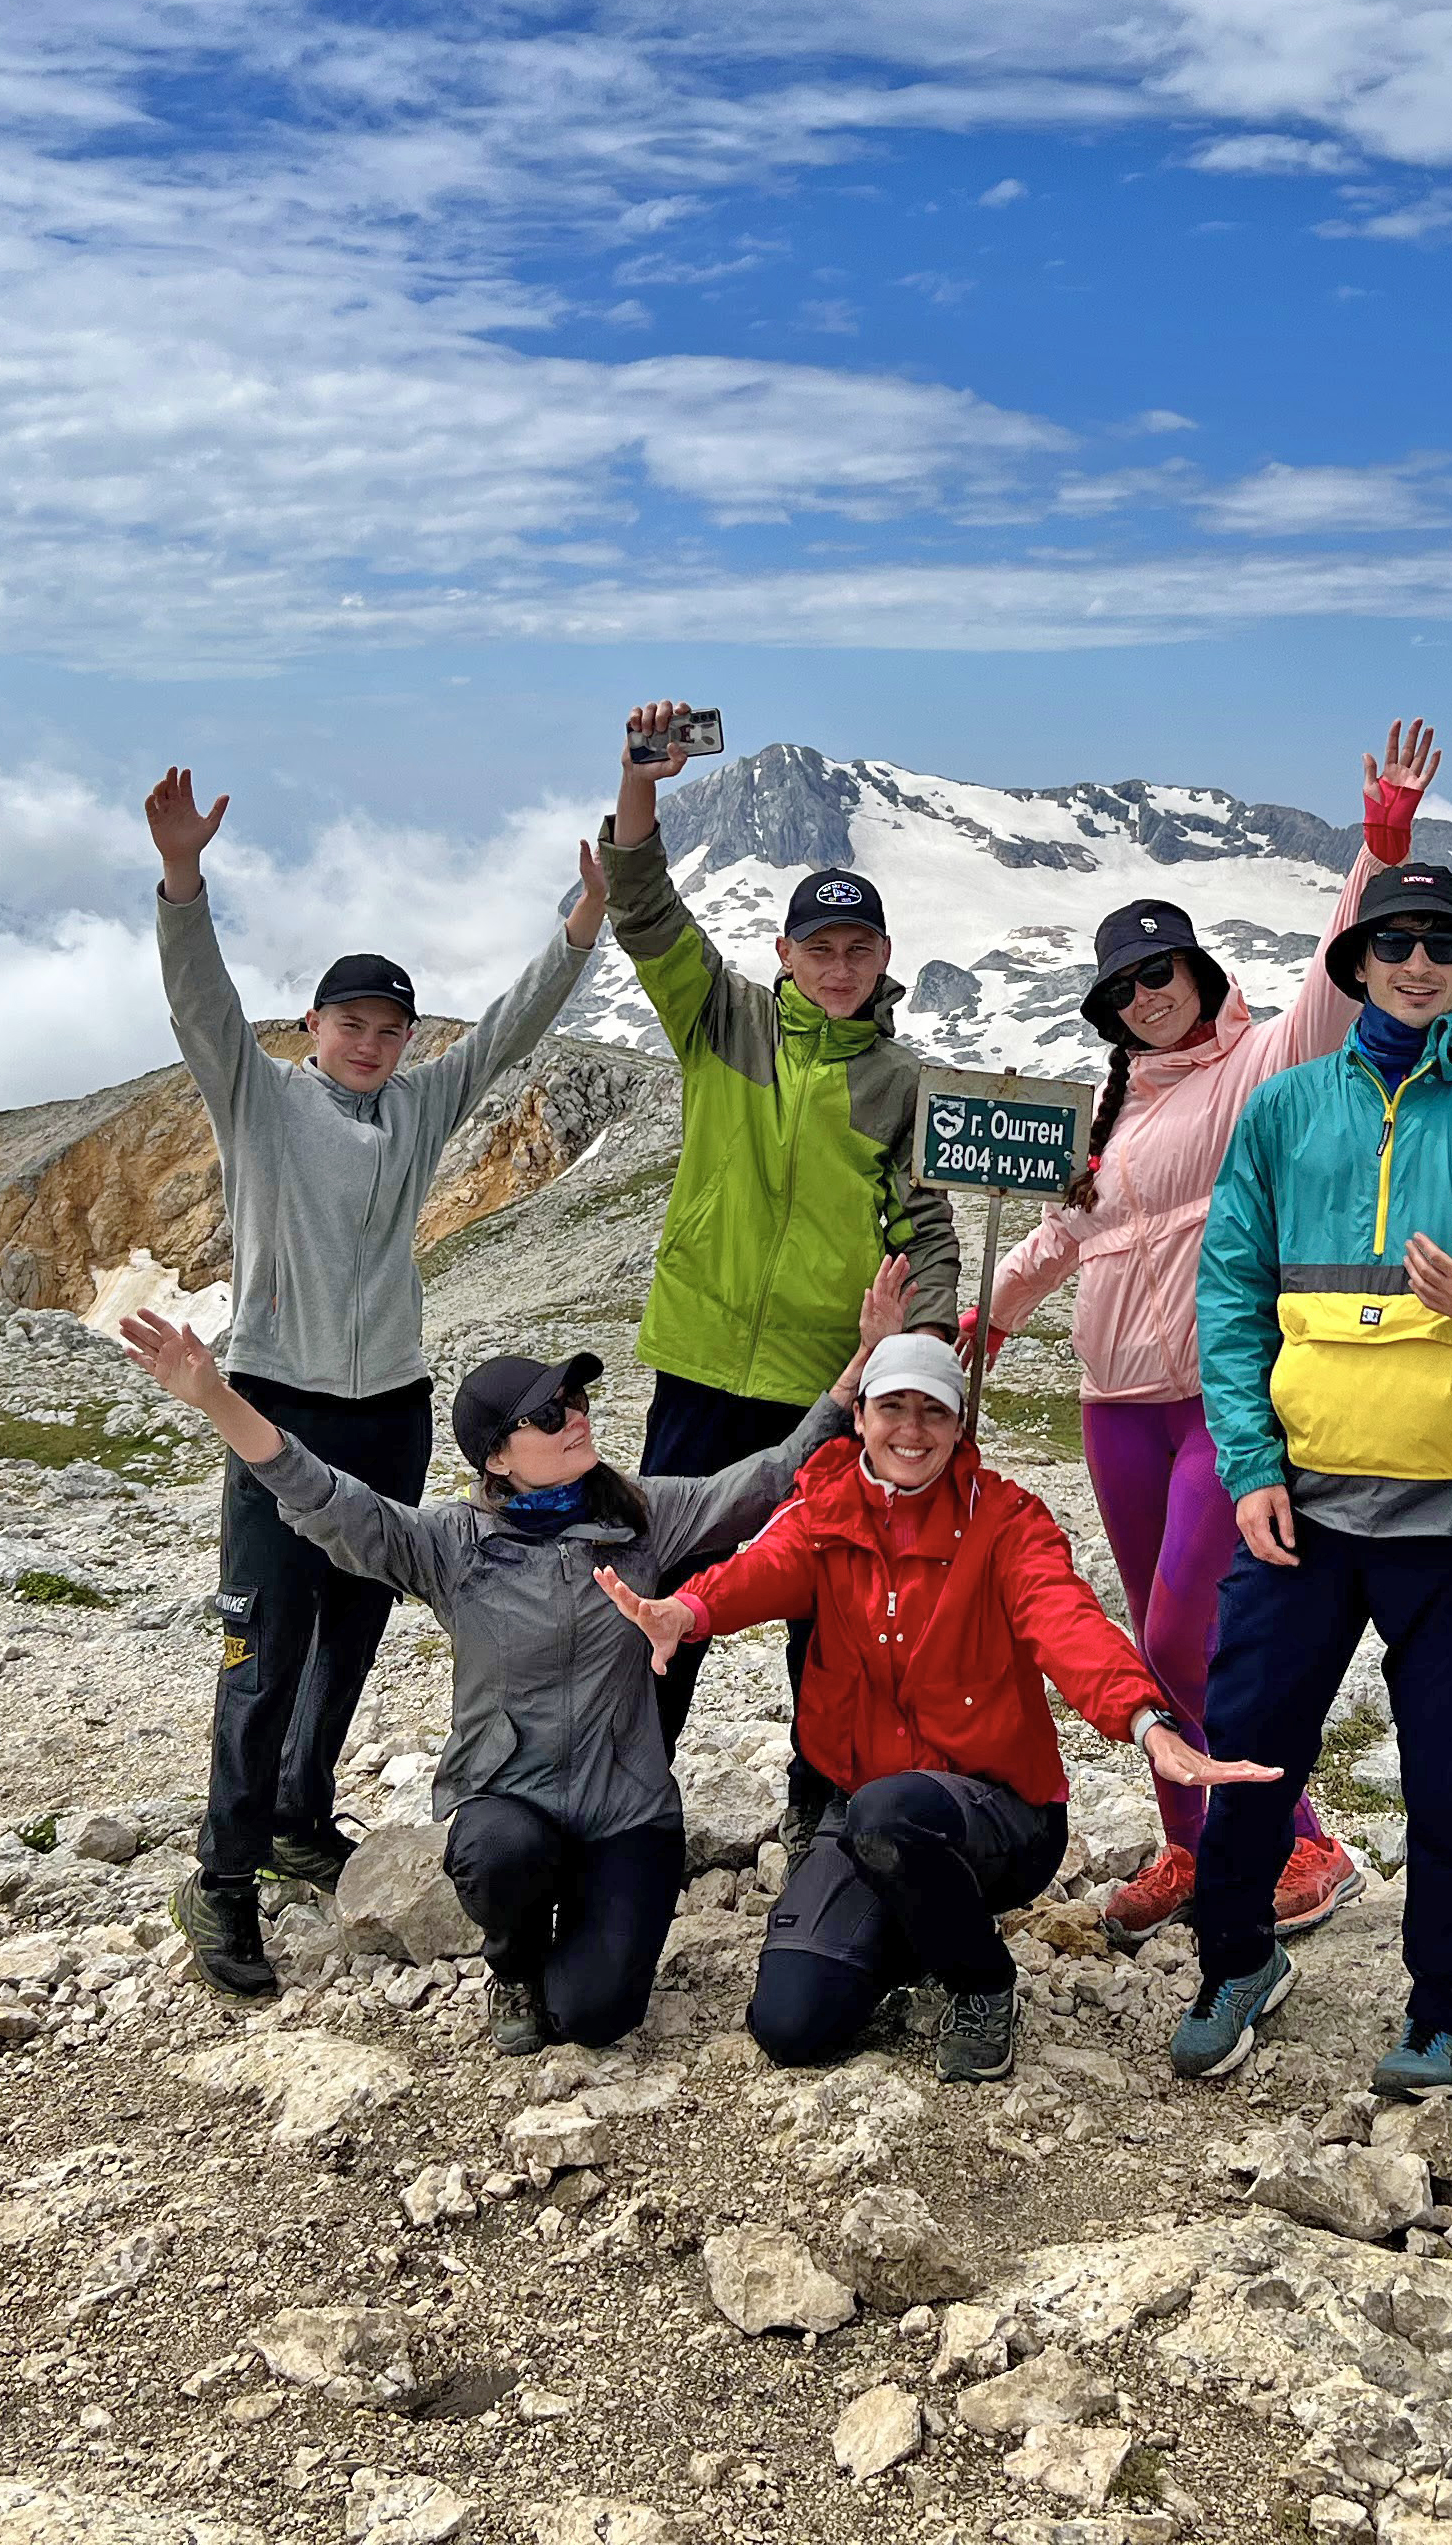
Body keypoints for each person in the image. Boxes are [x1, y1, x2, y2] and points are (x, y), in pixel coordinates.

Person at [115, 1256, 907, 2050]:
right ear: (497, 1457)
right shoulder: (449, 1546)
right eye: (551, 1415)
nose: (578, 1418)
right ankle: (514, 1965)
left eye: (578, 1400)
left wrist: (862, 1362)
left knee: (597, 2017)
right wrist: (217, 1397)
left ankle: (584, 1920)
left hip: (624, 1809)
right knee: (499, 1854)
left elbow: (770, 1477)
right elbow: (317, 1491)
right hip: (509, 1803)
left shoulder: (641, 1515)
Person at [1167, 857, 1452, 2098]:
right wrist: (1249, 1465)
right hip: (1301, 1506)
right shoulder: (1288, 1110)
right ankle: (1235, 1963)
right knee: (1255, 1748)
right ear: (1358, 963)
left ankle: (1442, 2006)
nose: (1417, 961)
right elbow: (1230, 1296)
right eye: (1395, 941)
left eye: (1442, 943)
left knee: (1446, 1772)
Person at [145, 764, 608, 2002]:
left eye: (391, 1027)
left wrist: (582, 926)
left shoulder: (420, 1108)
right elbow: (201, 1002)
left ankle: (301, 1816)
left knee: (350, 1631)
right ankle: (224, 1875)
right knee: (262, 1646)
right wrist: (185, 880)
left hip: (389, 1408)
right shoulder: (258, 1100)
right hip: (276, 1403)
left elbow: (509, 1029)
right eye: (351, 1023)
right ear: (311, 1030)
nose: (370, 1042)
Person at [978, 719, 1442, 1954]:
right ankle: (1194, 1844)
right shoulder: (1116, 1117)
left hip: (1213, 1402)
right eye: (1124, 988)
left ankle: (1299, 1843)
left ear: (1197, 971)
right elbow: (1063, 1242)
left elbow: (1336, 986)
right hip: (1112, 1406)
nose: (1145, 996)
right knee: (1151, 1642)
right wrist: (993, 1314)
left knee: (1192, 1627)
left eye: (1160, 972)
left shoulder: (1259, 1067)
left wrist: (1381, 842)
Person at [595, 1331, 1276, 2082]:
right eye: (892, 1408)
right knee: (791, 2023)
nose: (911, 1432)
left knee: (890, 1816)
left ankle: (981, 1983)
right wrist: (688, 1612)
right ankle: (919, 1924)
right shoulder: (825, 1507)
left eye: (933, 1412)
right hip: (864, 1814)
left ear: (959, 1426)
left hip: (997, 1815)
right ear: (861, 1418)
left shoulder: (1007, 1521)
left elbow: (1066, 1620)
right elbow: (760, 1569)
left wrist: (1143, 1720)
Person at [597, 700, 959, 1815]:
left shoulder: (905, 1084)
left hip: (821, 1387)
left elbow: (932, 1235)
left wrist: (923, 1360)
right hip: (701, 1366)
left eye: (858, 949)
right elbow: (645, 906)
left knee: (831, 1612)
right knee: (676, 1589)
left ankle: (826, 1813)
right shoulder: (724, 1021)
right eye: (819, 948)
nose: (838, 967)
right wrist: (641, 783)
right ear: (784, 954)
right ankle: (629, 1802)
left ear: (884, 958)